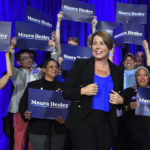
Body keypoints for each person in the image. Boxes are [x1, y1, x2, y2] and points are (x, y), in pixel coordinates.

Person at [63, 31, 124, 150]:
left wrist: (121, 100)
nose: (97, 47)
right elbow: (66, 92)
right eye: (94, 43)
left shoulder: (117, 71)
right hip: (82, 120)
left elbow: (124, 95)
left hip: (106, 122)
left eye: (102, 43)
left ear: (110, 46)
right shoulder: (81, 64)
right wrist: (83, 90)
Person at [19, 58, 66, 150]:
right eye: (51, 67)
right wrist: (25, 113)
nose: (54, 69)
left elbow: (69, 106)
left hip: (58, 130)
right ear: (44, 69)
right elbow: (23, 105)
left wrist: (65, 120)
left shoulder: (64, 87)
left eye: (56, 67)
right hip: (38, 129)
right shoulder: (33, 85)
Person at [8, 37, 42, 150]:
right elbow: (10, 68)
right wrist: (11, 49)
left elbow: (52, 66)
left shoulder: (38, 70)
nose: (28, 60)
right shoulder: (17, 73)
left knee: (34, 141)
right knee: (19, 140)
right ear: (19, 62)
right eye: (24, 58)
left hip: (36, 109)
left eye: (30, 57)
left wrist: (54, 49)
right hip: (20, 110)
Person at [123, 66, 150, 150]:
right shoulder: (128, 91)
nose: (142, 77)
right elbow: (122, 110)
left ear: (148, 77)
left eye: (145, 75)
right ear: (135, 77)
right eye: (139, 75)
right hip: (134, 134)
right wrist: (129, 106)